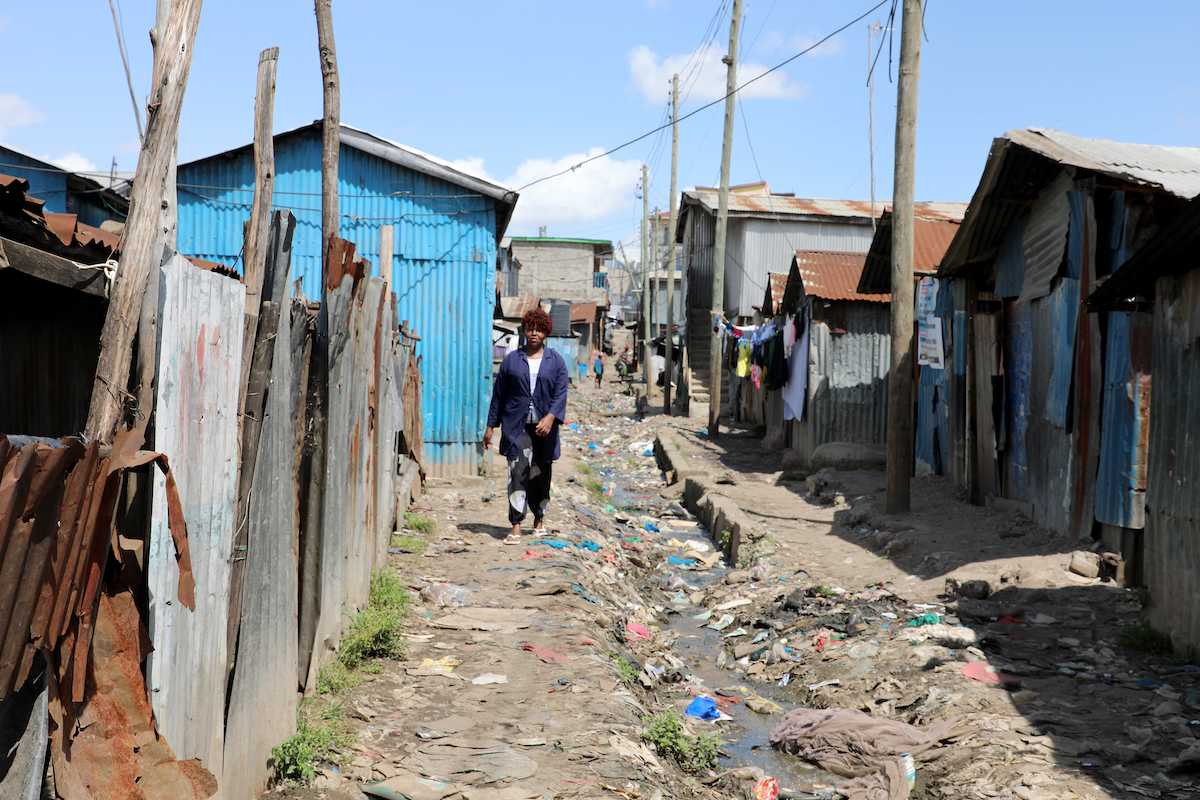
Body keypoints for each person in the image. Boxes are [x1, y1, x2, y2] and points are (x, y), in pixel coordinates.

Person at [483, 308, 568, 546]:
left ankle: (539, 519)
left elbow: (561, 394)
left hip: (545, 430)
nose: (534, 333)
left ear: (546, 333)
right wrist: (491, 426)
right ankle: (516, 524)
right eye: (530, 328)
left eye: (539, 329)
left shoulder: (556, 362)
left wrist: (551, 417)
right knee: (517, 471)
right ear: (524, 330)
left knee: (540, 473)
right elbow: (499, 396)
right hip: (516, 427)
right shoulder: (512, 360)